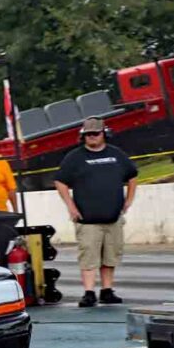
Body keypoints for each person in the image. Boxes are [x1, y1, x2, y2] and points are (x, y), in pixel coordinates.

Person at [54, 117, 138, 307]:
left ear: (104, 134)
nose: (91, 137)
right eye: (88, 134)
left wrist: (129, 200)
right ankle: (89, 292)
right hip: (87, 219)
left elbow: (132, 176)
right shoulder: (74, 157)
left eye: (95, 133)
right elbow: (60, 181)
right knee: (89, 257)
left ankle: (107, 290)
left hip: (113, 217)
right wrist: (71, 206)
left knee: (111, 255)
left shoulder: (116, 154)